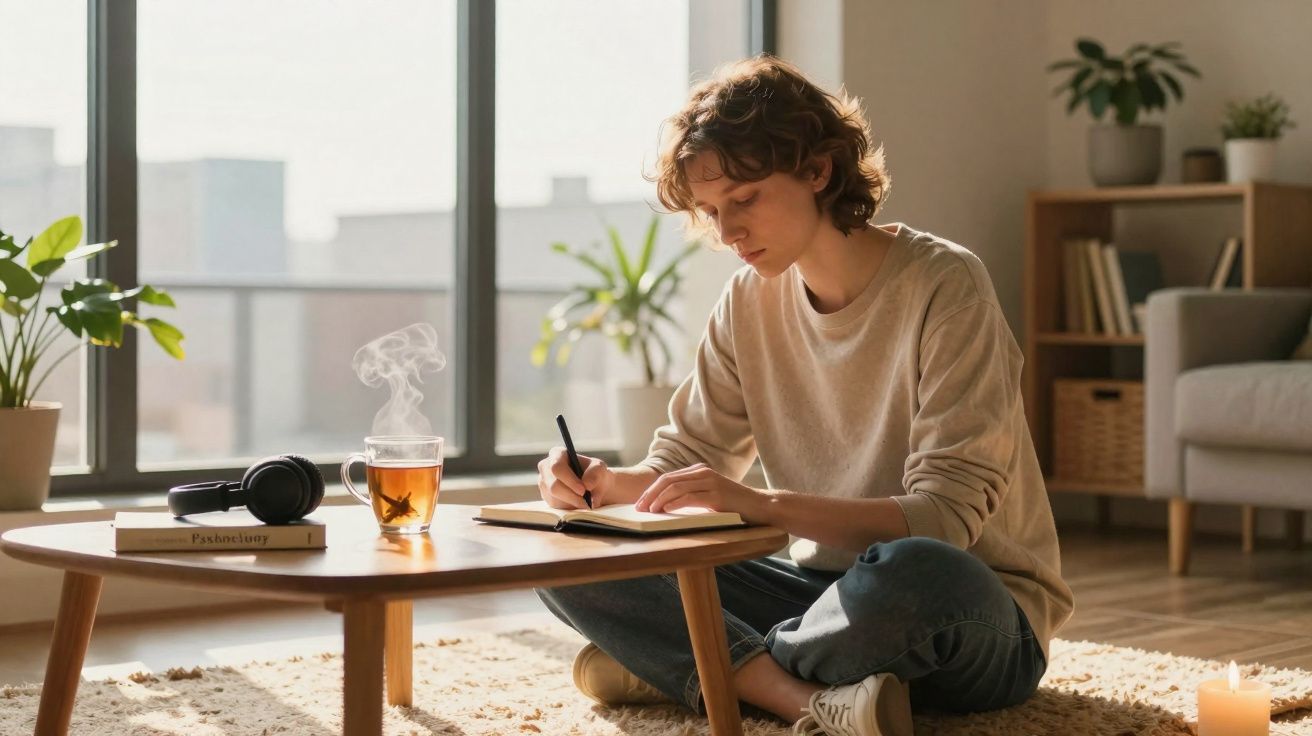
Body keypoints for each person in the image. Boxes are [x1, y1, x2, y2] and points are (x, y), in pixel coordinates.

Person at [533, 54, 1073, 736]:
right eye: (711, 212)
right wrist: (606, 485)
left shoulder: (947, 285)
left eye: (745, 200)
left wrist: (762, 505)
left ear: (818, 170)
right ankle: (793, 694)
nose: (727, 233)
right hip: (819, 597)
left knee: (914, 575)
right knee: (568, 550)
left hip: (970, 610)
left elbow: (945, 520)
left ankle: (692, 664)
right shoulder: (747, 302)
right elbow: (690, 456)